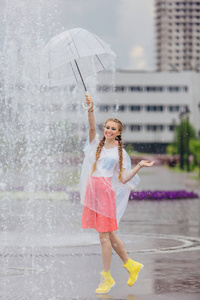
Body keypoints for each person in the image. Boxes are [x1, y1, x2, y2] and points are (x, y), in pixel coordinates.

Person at [79, 94, 154, 294]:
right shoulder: (97, 144)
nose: (109, 130)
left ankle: (106, 277)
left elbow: (122, 178)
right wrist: (91, 108)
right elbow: (92, 128)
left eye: (113, 128)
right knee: (109, 234)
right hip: (92, 192)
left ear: (119, 133)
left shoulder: (119, 153)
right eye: (107, 127)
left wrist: (139, 165)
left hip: (105, 194)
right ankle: (131, 265)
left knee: (104, 237)